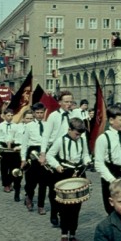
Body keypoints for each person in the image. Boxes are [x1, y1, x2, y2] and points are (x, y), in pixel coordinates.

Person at [46, 117, 92, 241]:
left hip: (78, 173)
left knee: (76, 205)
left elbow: (85, 155)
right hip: (64, 173)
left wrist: (87, 161)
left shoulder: (82, 140)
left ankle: (73, 233)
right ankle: (64, 233)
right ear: (69, 129)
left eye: (80, 134)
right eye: (76, 134)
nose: (78, 137)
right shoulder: (60, 141)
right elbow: (50, 155)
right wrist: (57, 165)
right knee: (65, 205)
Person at [41, 90, 76, 227]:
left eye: (70, 102)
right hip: (55, 154)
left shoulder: (75, 115)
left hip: (69, 155)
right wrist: (43, 153)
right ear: (60, 103)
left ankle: (64, 212)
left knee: (67, 187)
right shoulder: (53, 116)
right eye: (66, 102)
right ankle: (54, 212)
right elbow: (46, 135)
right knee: (54, 187)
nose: (69, 104)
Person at [95, 104, 121, 214]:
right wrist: (112, 180)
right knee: (112, 208)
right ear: (111, 120)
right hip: (111, 174)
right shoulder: (103, 138)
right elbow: (99, 163)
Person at [21, 103, 48, 213]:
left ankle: (41, 205)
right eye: (37, 113)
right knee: (30, 181)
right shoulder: (29, 126)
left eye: (41, 112)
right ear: (34, 113)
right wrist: (23, 158)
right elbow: (24, 143)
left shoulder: (48, 125)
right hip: (32, 153)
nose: (39, 115)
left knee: (43, 182)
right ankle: (29, 198)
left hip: (44, 152)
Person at [0, 107, 24, 200]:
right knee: (4, 168)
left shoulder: (16, 125)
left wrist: (13, 141)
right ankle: (6, 184)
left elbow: (18, 136)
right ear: (4, 116)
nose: (10, 117)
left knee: (13, 168)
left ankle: (10, 181)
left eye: (11, 115)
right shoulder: (0, 126)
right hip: (3, 148)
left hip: (13, 148)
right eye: (8, 115)